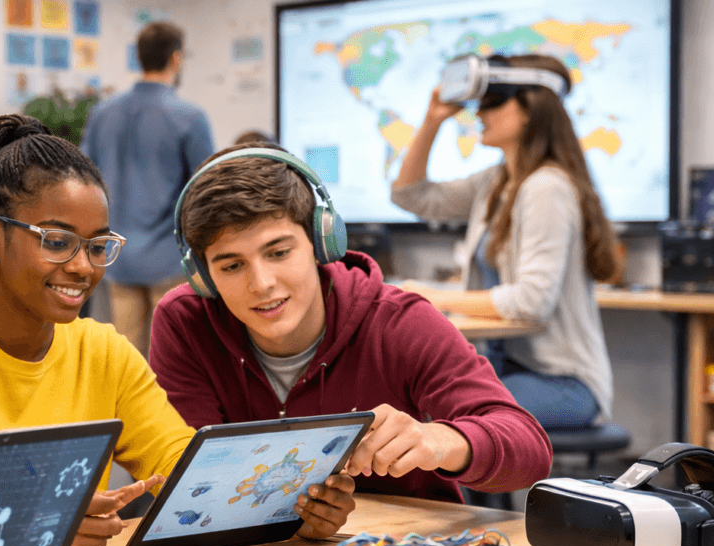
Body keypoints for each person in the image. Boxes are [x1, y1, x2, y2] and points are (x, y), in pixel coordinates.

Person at [0, 115, 356, 546]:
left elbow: (187, 472)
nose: (82, 266)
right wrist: (31, 532)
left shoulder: (104, 352)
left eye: (97, 246)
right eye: (56, 241)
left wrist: (295, 504)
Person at [150, 143, 551, 503]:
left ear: (322, 242)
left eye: (278, 252)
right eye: (232, 265)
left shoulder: (397, 321)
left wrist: (442, 440)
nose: (261, 284)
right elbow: (195, 484)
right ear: (202, 277)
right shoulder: (186, 323)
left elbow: (530, 450)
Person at [391, 54, 618, 429]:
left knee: (444, 416)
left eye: (494, 102)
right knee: (420, 398)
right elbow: (410, 195)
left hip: (564, 383)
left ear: (530, 110)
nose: (479, 113)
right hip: (510, 366)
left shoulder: (546, 186)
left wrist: (433, 298)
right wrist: (432, 120)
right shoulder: (496, 182)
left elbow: (531, 303)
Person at [79, 20, 215, 355]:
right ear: (176, 59)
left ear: (139, 58)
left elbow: (83, 179)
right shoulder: (189, 117)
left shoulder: (102, 113)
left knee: (130, 362)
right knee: (172, 361)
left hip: (118, 260)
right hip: (169, 260)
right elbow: (207, 190)